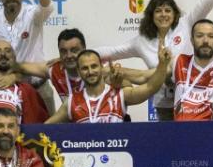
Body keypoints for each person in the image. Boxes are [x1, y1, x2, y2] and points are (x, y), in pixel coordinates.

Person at [11, 28, 155, 108]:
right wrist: (11, 75)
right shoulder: (54, 69)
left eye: (74, 50)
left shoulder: (101, 71)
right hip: (76, 131)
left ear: (85, 49)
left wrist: (119, 84)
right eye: (64, 51)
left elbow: (140, 78)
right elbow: (21, 67)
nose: (69, 55)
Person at [44, 47, 170, 124]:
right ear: (79, 71)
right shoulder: (71, 102)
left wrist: (163, 65)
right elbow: (46, 128)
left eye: (94, 66)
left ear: (101, 67)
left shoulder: (119, 94)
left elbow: (150, 87)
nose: (90, 71)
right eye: (84, 68)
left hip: (118, 160)